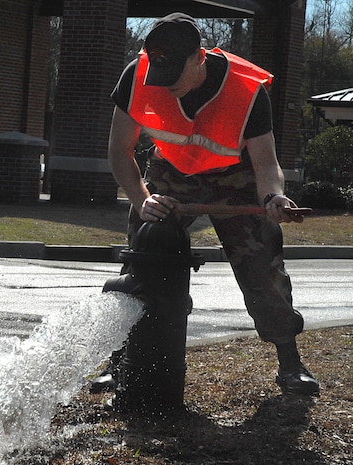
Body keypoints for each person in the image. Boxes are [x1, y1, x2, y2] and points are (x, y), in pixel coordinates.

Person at [100, 12, 319, 412]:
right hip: (170, 173)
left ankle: (290, 363)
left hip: (234, 179)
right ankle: (120, 361)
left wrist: (272, 198)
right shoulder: (136, 76)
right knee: (142, 261)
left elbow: (267, 165)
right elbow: (119, 151)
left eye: (175, 76)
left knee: (262, 270)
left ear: (199, 58)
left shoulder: (246, 91)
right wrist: (141, 199)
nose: (166, 87)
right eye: (158, 72)